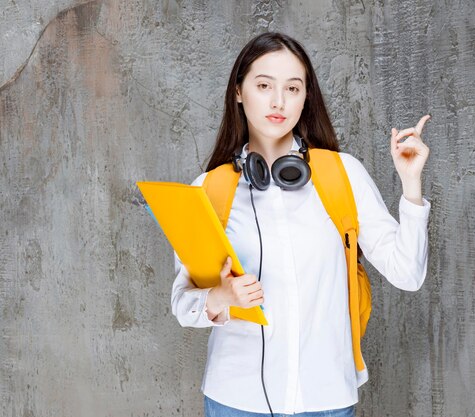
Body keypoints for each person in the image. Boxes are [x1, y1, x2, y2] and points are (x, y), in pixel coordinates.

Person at [170, 32, 431, 417]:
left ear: (306, 96)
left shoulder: (344, 174)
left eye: (293, 88)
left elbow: (408, 274)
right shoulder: (209, 189)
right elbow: (181, 302)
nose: (279, 101)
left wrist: (411, 186)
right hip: (235, 401)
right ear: (239, 91)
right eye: (263, 86)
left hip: (325, 399)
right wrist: (222, 297)